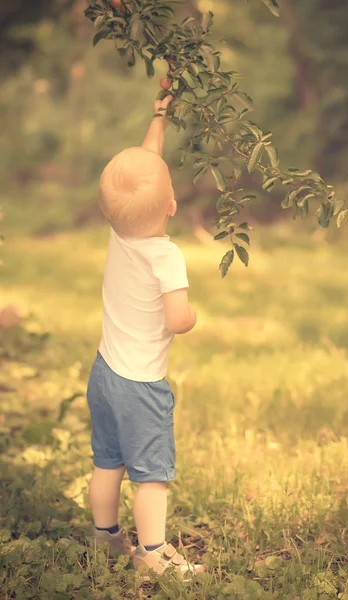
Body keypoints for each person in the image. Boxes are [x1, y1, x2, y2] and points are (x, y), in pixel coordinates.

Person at [86, 92, 204, 579]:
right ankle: (153, 555)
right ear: (172, 206)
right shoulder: (166, 256)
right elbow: (177, 318)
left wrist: (160, 115)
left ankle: (105, 538)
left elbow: (146, 161)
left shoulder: (120, 231)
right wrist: (192, 316)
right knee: (152, 475)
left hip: (104, 373)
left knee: (107, 462)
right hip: (140, 386)